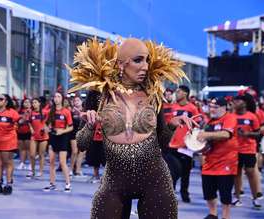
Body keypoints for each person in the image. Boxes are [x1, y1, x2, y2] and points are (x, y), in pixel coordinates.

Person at [70, 38, 187, 219]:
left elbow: (162, 143)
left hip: (155, 180)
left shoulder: (153, 93)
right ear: (120, 64)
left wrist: (171, 126)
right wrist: (90, 126)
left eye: (147, 60)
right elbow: (82, 144)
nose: (146, 66)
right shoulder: (99, 93)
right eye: (138, 60)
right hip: (115, 182)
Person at [196, 97, 238, 219]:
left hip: (226, 161)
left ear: (224, 107)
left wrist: (205, 135)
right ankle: (213, 213)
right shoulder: (209, 122)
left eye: (215, 107)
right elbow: (205, 142)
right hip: (209, 162)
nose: (212, 109)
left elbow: (225, 134)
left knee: (225, 193)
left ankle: (226, 216)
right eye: (211, 106)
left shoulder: (230, 118)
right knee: (208, 192)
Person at [167, 85, 200, 203]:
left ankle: (184, 193)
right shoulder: (173, 107)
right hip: (172, 145)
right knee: (172, 171)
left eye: (179, 92)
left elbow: (197, 125)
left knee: (185, 172)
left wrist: (193, 142)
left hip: (186, 146)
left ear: (185, 94)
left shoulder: (192, 108)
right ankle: (172, 193)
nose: (176, 93)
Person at [232, 94, 263, 209]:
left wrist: (247, 134)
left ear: (244, 103)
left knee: (250, 172)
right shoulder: (231, 116)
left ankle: (255, 198)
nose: (235, 102)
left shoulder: (252, 116)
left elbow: (259, 133)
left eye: (238, 101)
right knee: (236, 174)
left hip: (249, 149)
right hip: (234, 150)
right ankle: (237, 197)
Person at [44, 92, 73, 192]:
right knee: (51, 162)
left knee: (62, 162)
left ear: (62, 99)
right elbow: (46, 124)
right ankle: (52, 184)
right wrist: (47, 129)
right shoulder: (50, 111)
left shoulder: (66, 112)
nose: (56, 98)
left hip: (63, 137)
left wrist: (62, 131)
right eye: (55, 96)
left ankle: (68, 183)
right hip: (53, 137)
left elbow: (71, 127)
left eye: (58, 96)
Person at [27, 98, 49, 179]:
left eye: (35, 102)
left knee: (41, 155)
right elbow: (29, 122)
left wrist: (45, 127)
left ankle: (40, 171)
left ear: (39, 103)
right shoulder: (31, 113)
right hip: (34, 136)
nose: (34, 104)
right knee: (32, 155)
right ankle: (32, 171)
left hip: (43, 136)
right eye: (33, 103)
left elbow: (48, 122)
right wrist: (31, 129)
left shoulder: (45, 112)